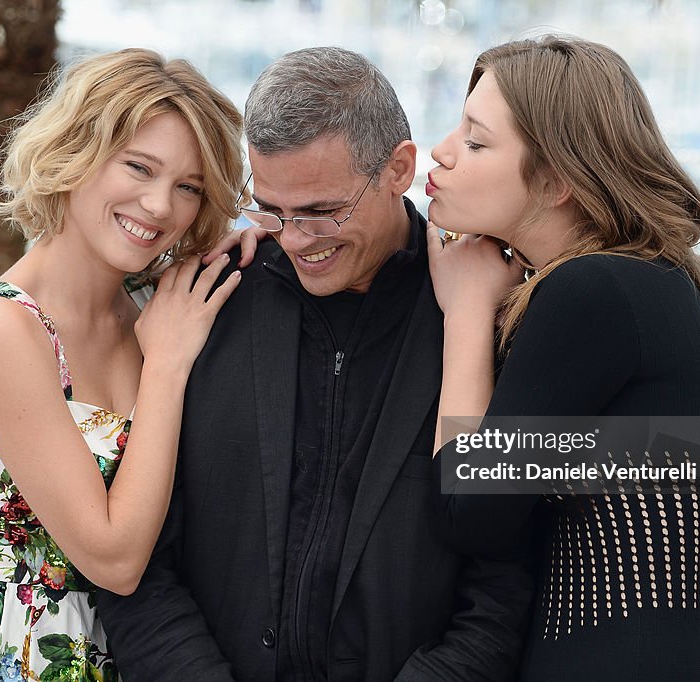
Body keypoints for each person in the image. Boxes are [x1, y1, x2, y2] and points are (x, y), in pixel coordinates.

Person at [96, 46, 533, 680]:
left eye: (324, 211)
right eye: (271, 208)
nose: (295, 238)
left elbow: (506, 584)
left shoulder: (486, 315)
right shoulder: (198, 306)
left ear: (400, 168)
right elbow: (137, 563)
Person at [0, 48, 245, 682]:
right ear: (75, 154)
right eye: (139, 167)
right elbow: (114, 558)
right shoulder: (4, 329)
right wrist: (165, 367)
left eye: (189, 187)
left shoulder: (151, 312)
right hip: (8, 655)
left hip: (137, 651)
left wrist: (261, 237)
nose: (161, 206)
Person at [426, 36, 700, 681]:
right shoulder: (655, 283)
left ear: (556, 180)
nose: (442, 151)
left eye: (475, 141)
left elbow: (466, 512)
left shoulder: (594, 291)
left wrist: (467, 314)